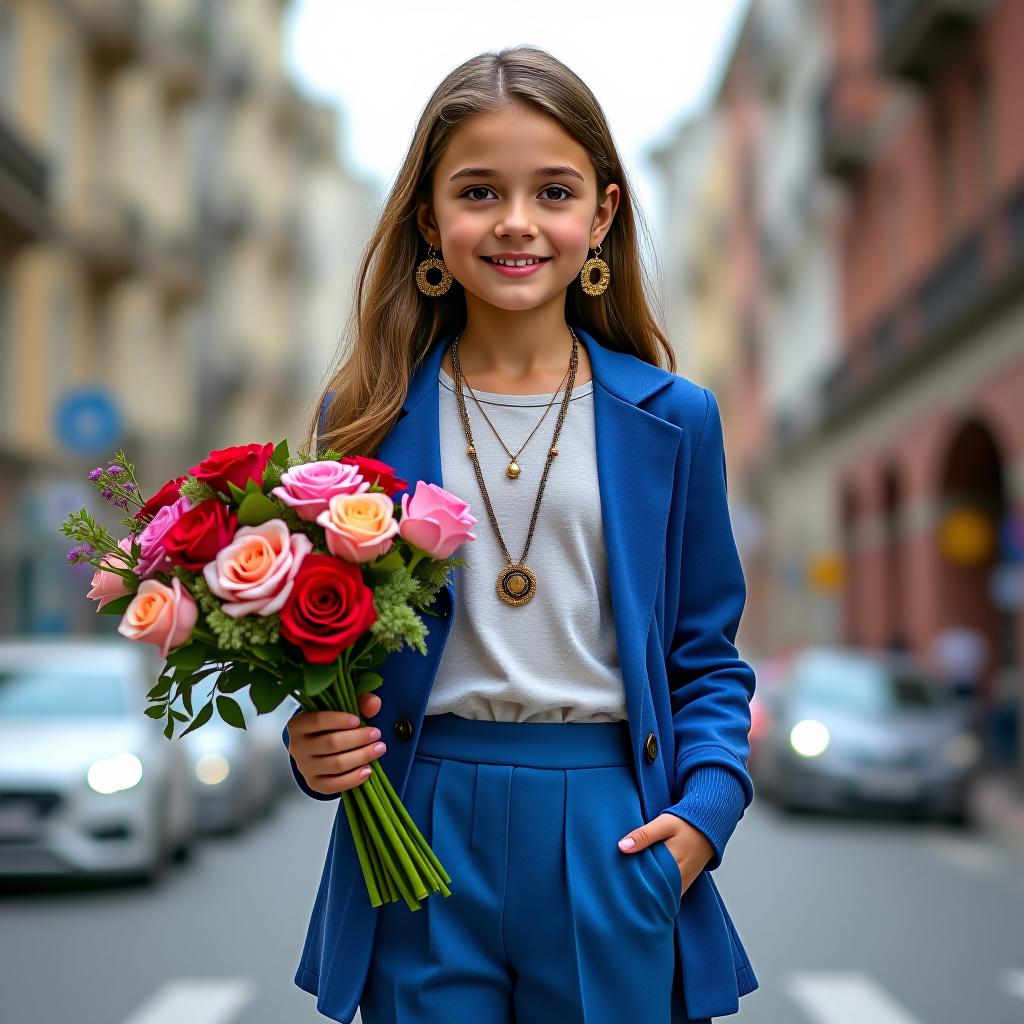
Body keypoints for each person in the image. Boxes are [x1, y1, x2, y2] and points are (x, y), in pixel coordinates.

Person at [283, 45, 758, 1024]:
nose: (514, 221)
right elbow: (326, 644)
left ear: (602, 215)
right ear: (429, 219)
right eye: (477, 191)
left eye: (551, 190)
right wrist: (311, 735)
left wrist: (702, 818)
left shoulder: (675, 419)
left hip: (611, 826)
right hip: (417, 819)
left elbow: (705, 656)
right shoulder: (363, 419)